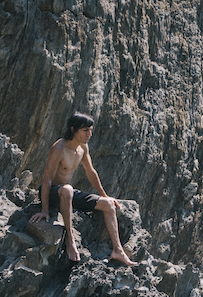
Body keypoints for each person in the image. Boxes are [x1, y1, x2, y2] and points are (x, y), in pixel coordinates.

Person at [31, 112, 136, 266]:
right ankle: (70, 241)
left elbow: (90, 172)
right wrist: (44, 210)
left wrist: (105, 196)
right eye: (85, 130)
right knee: (67, 189)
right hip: (53, 192)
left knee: (108, 205)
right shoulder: (59, 147)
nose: (89, 134)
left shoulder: (82, 148)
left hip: (68, 194)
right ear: (73, 129)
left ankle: (117, 250)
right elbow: (46, 178)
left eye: (90, 130)